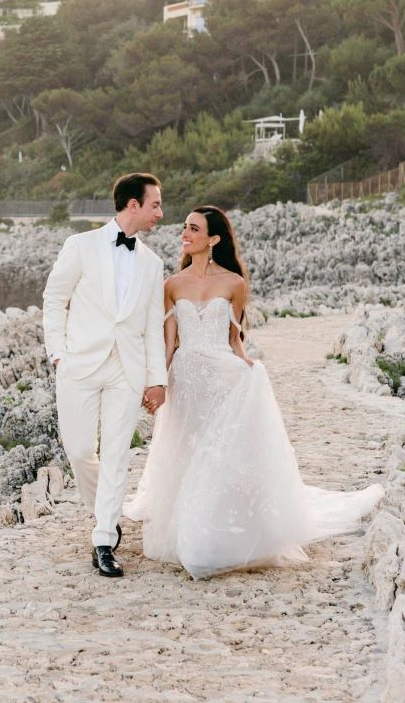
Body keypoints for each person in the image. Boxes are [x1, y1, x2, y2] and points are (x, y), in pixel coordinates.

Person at [123, 205, 383, 579]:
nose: (185, 233)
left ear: (213, 239)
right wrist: (158, 384)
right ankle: (187, 527)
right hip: (186, 381)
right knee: (187, 452)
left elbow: (235, 342)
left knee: (218, 455)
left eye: (194, 228)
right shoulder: (171, 285)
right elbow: (169, 344)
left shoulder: (234, 284)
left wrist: (250, 371)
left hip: (224, 380)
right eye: (185, 227)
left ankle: (212, 537)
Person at [42, 172, 167, 578]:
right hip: (78, 364)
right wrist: (58, 352)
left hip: (126, 370)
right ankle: (106, 514)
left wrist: (156, 378)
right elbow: (54, 299)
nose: (160, 214)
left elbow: (151, 326)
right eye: (155, 205)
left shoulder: (152, 263)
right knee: (79, 450)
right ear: (133, 205)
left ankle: (103, 540)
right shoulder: (80, 246)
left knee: (117, 454)